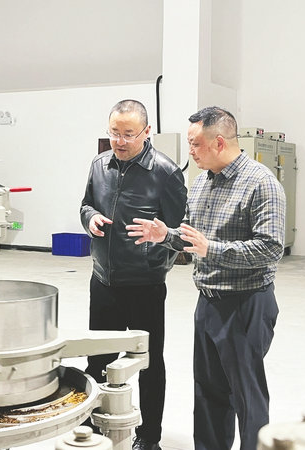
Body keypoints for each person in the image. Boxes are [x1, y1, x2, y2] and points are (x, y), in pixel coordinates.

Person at [126, 106, 285, 450]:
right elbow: (191, 239)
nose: (191, 152)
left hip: (246, 303)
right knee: (208, 393)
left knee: (247, 396)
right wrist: (165, 235)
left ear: (219, 142)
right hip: (208, 303)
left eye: (195, 144)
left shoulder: (261, 183)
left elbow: (271, 248)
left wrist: (212, 249)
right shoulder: (201, 183)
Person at [80, 99, 187, 450]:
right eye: (114, 133)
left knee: (149, 364)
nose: (120, 141)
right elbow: (86, 204)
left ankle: (150, 437)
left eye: (128, 134)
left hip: (145, 285)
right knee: (98, 361)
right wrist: (90, 218)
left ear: (146, 132)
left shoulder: (166, 173)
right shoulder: (99, 165)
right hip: (103, 282)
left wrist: (161, 239)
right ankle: (94, 428)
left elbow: (182, 235)